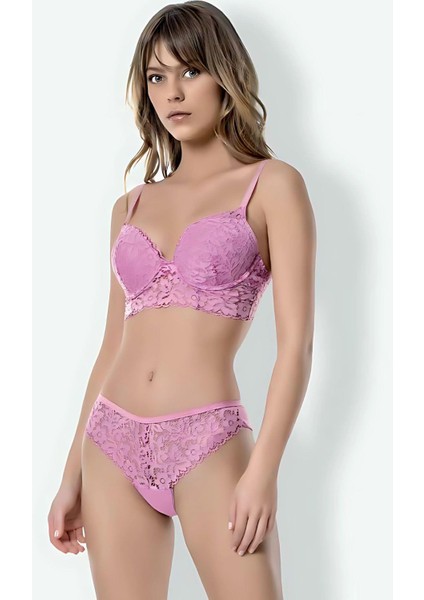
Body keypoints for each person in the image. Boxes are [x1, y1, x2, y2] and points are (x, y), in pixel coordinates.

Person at [47, 2, 316, 598]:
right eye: (156, 76)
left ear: (226, 75)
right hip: (110, 441)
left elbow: (295, 347)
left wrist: (264, 471)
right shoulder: (130, 207)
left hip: (208, 441)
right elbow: (111, 345)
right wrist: (71, 476)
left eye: (191, 70)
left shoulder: (272, 185)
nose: (173, 92)